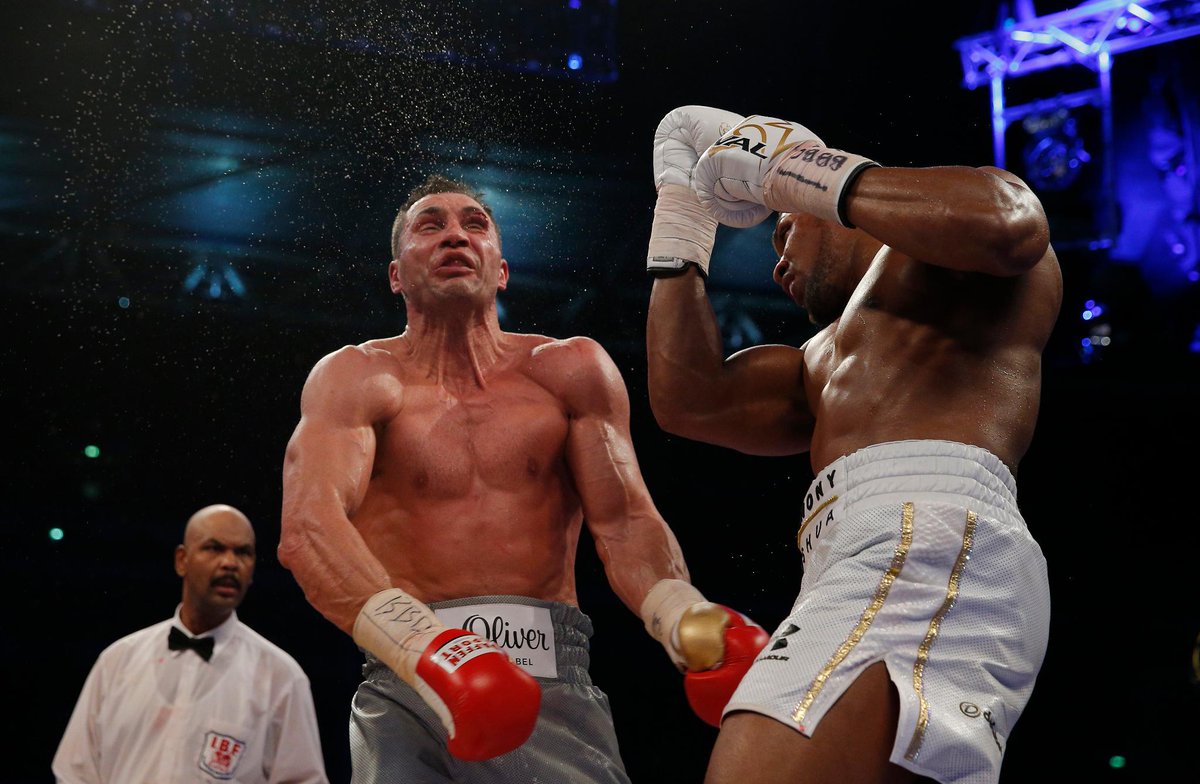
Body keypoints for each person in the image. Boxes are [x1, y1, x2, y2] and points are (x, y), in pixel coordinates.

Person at [277, 173, 769, 783]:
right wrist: (428, 648)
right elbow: (309, 526)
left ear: (502, 270)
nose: (455, 235)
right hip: (408, 679)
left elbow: (624, 521)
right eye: (430, 226)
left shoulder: (569, 370)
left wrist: (680, 612)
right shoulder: (355, 376)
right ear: (396, 275)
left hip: (551, 678)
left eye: (474, 224)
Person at [643, 106, 1063, 784]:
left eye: (784, 227)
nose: (777, 262)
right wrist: (682, 216)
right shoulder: (820, 360)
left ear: (823, 201)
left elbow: (1010, 224)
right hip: (878, 557)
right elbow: (689, 401)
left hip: (922, 535)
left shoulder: (943, 262)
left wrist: (789, 168)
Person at [52, 504, 329, 784]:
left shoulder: (281, 677)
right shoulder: (117, 661)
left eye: (243, 552)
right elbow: (74, 773)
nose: (230, 563)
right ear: (181, 560)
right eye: (214, 548)